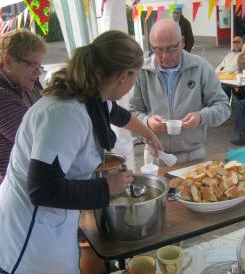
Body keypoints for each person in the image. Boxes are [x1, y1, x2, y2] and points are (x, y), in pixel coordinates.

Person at [0, 30, 163, 274]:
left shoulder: (91, 94)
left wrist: (149, 134)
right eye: (135, 76)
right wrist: (107, 187)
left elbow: (117, 114)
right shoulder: (64, 113)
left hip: (55, 224)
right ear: (122, 76)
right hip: (31, 237)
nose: (134, 83)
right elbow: (42, 189)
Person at [130, 19, 230, 163]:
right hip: (156, 156)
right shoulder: (142, 71)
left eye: (171, 48)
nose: (165, 56)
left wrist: (201, 117)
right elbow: (132, 111)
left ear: (182, 42)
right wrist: (147, 121)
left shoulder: (200, 68)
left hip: (193, 156)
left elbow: (224, 107)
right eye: (157, 49)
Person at [0, 28, 47, 185]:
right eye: (31, 64)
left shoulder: (19, 85)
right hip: (11, 189)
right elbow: (39, 141)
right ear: (8, 62)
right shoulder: (3, 97)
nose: (38, 72)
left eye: (40, 66)